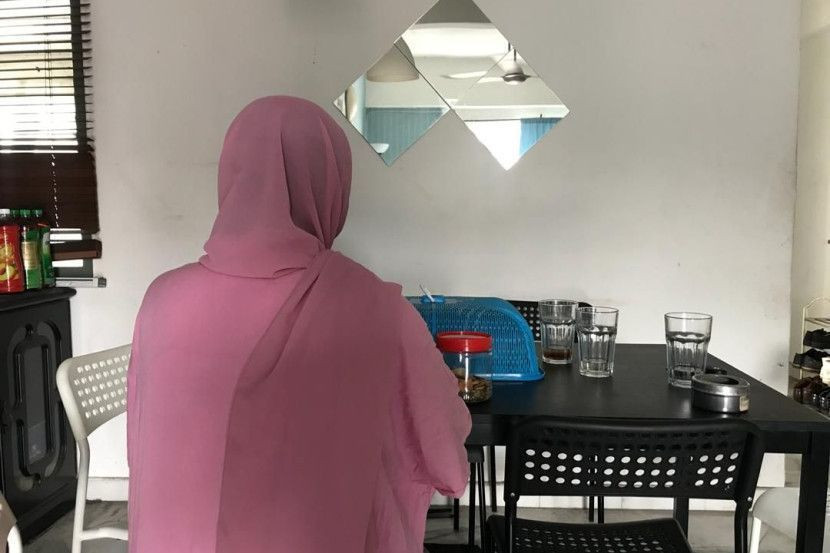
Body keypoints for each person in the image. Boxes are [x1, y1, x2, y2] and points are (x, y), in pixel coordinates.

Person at [126, 96, 471, 553]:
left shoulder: (161, 301)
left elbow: (143, 450)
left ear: (231, 176)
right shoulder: (377, 310)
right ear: (331, 185)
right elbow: (445, 459)